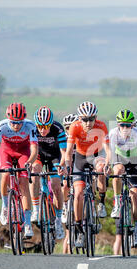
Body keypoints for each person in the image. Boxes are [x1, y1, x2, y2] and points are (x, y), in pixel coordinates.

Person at [64, 101, 110, 248]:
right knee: (78, 194)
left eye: (91, 119)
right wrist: (67, 166)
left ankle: (101, 202)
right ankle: (79, 229)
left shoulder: (101, 126)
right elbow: (69, 150)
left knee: (101, 168)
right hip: (80, 157)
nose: (88, 122)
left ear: (95, 118)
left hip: (96, 155)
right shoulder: (75, 126)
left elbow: (108, 150)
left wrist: (108, 162)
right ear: (79, 119)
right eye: (84, 119)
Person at [0, 103, 38, 238]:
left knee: (23, 184)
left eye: (19, 123)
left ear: (24, 120)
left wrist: (29, 162)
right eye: (13, 123)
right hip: (7, 151)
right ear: (8, 119)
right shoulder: (2, 126)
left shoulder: (30, 126)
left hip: (23, 152)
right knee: (5, 174)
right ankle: (5, 207)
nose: (16, 126)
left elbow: (34, 149)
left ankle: (27, 223)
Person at [110, 109, 137, 251]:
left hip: (134, 162)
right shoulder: (113, 133)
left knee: (136, 193)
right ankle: (117, 202)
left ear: (132, 125)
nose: (125, 128)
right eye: (122, 125)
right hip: (120, 159)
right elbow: (111, 153)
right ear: (118, 125)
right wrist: (110, 166)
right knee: (117, 170)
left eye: (128, 125)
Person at [30, 106, 66, 240]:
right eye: (40, 126)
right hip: (38, 156)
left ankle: (57, 219)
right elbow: (31, 150)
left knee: (56, 186)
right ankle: (35, 209)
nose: (42, 129)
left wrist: (62, 166)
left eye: (46, 126)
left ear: (51, 124)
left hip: (54, 156)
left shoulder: (58, 129)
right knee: (34, 175)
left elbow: (64, 153)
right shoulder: (32, 129)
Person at [61, 113, 79, 254]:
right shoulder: (64, 139)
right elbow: (61, 156)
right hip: (68, 168)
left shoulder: (81, 138)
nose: (69, 130)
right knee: (65, 184)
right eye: (67, 127)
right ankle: (65, 207)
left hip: (80, 167)